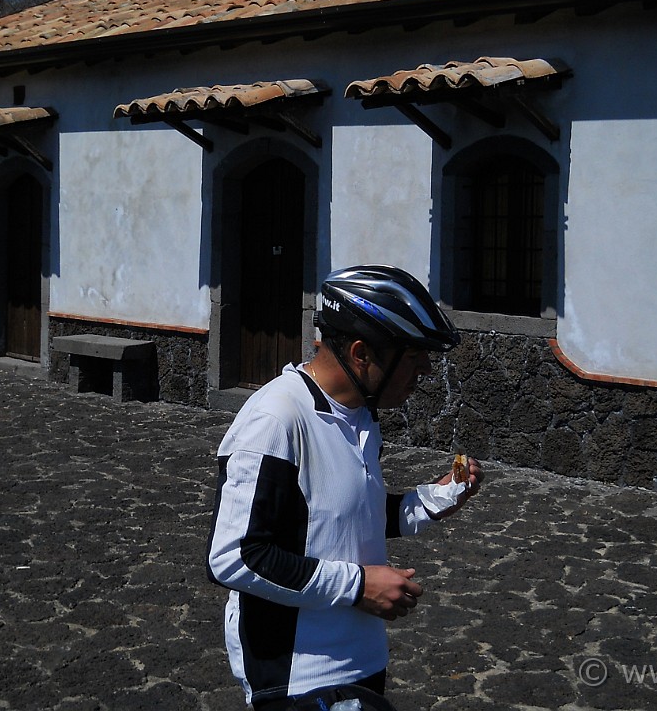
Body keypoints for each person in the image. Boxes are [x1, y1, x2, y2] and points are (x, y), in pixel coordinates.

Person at [206, 265, 484, 711]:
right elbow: (236, 557)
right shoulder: (276, 420)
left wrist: (438, 498)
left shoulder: (359, 415)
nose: (426, 371)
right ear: (361, 354)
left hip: (361, 657)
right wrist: (359, 586)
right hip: (300, 674)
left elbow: (347, 516)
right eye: (414, 357)